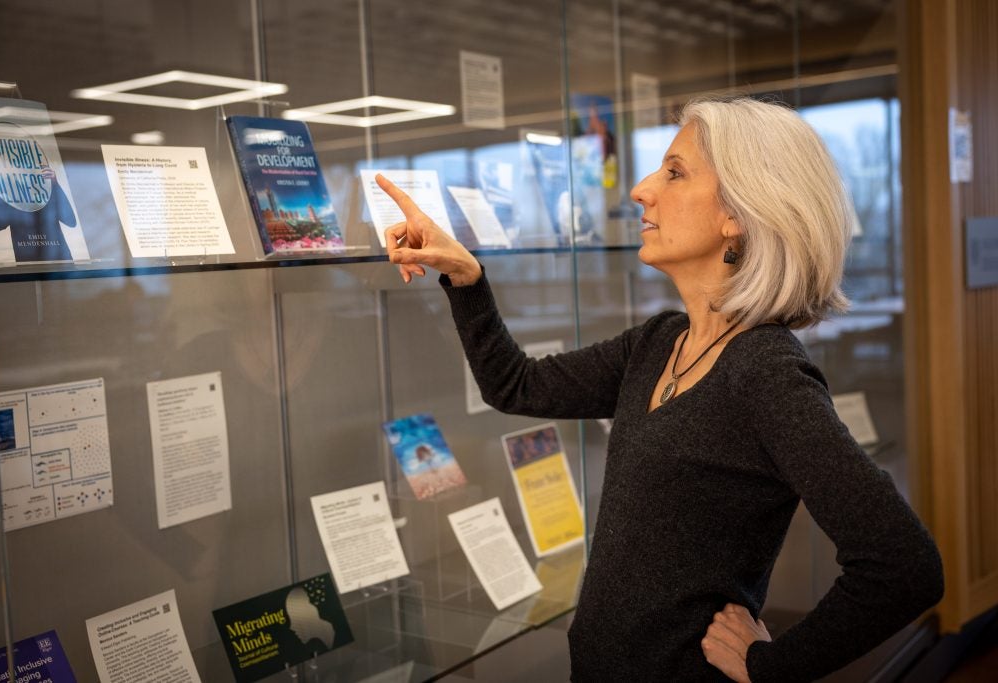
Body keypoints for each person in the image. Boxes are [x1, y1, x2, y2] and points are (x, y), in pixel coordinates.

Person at [374, 97, 944, 682]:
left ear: (739, 214)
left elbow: (903, 566)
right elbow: (515, 385)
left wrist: (772, 666)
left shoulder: (764, 372)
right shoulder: (660, 342)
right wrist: (466, 277)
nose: (643, 189)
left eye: (675, 172)